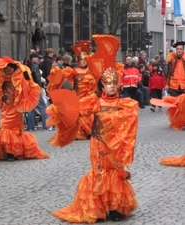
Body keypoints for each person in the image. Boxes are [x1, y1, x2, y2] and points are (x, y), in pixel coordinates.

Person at [48, 35, 138, 223]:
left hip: (115, 147)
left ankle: (115, 206)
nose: (112, 86)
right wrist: (62, 111)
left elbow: (130, 124)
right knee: (100, 172)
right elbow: (78, 110)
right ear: (102, 84)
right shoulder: (95, 101)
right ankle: (98, 207)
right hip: (98, 145)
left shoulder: (125, 103)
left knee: (115, 171)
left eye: (114, 83)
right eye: (108, 83)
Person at [0, 56, 50, 161]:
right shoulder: (0, 77)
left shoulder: (19, 78)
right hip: (5, 107)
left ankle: (12, 152)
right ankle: (7, 151)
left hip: (16, 109)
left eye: (8, 68)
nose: (6, 70)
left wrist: (23, 69)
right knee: (3, 127)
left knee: (13, 130)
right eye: (4, 69)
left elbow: (29, 81)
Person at [27, 52, 52, 131]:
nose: (38, 60)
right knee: (43, 106)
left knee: (31, 107)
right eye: (37, 58)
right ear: (33, 58)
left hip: (29, 89)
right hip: (36, 88)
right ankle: (46, 126)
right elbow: (37, 79)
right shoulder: (35, 66)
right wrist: (40, 88)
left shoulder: (26, 66)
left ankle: (31, 126)